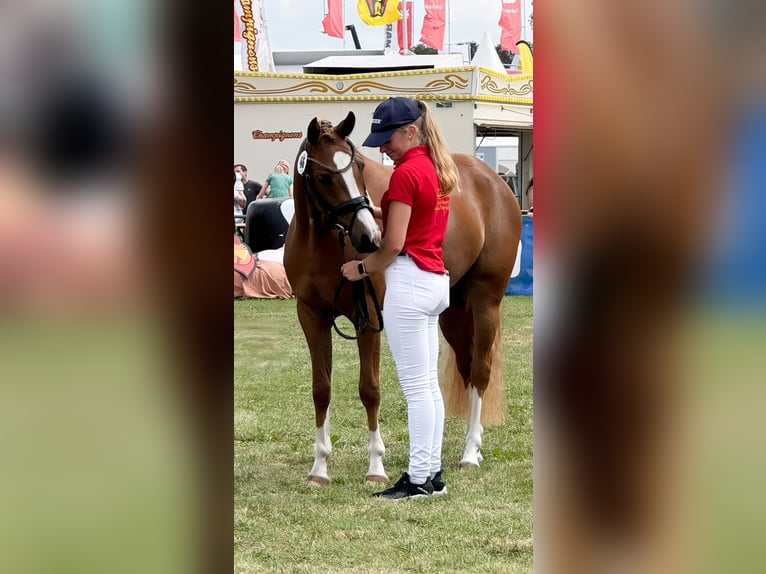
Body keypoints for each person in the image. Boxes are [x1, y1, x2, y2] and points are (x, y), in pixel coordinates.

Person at [341, 97, 456, 500]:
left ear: (410, 131)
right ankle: (432, 473)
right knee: (427, 386)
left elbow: (392, 245)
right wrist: (378, 207)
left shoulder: (406, 174)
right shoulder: (436, 168)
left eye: (387, 138)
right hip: (433, 278)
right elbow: (417, 220)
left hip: (408, 281)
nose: (381, 147)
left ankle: (419, 478)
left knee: (415, 388)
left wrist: (361, 268)